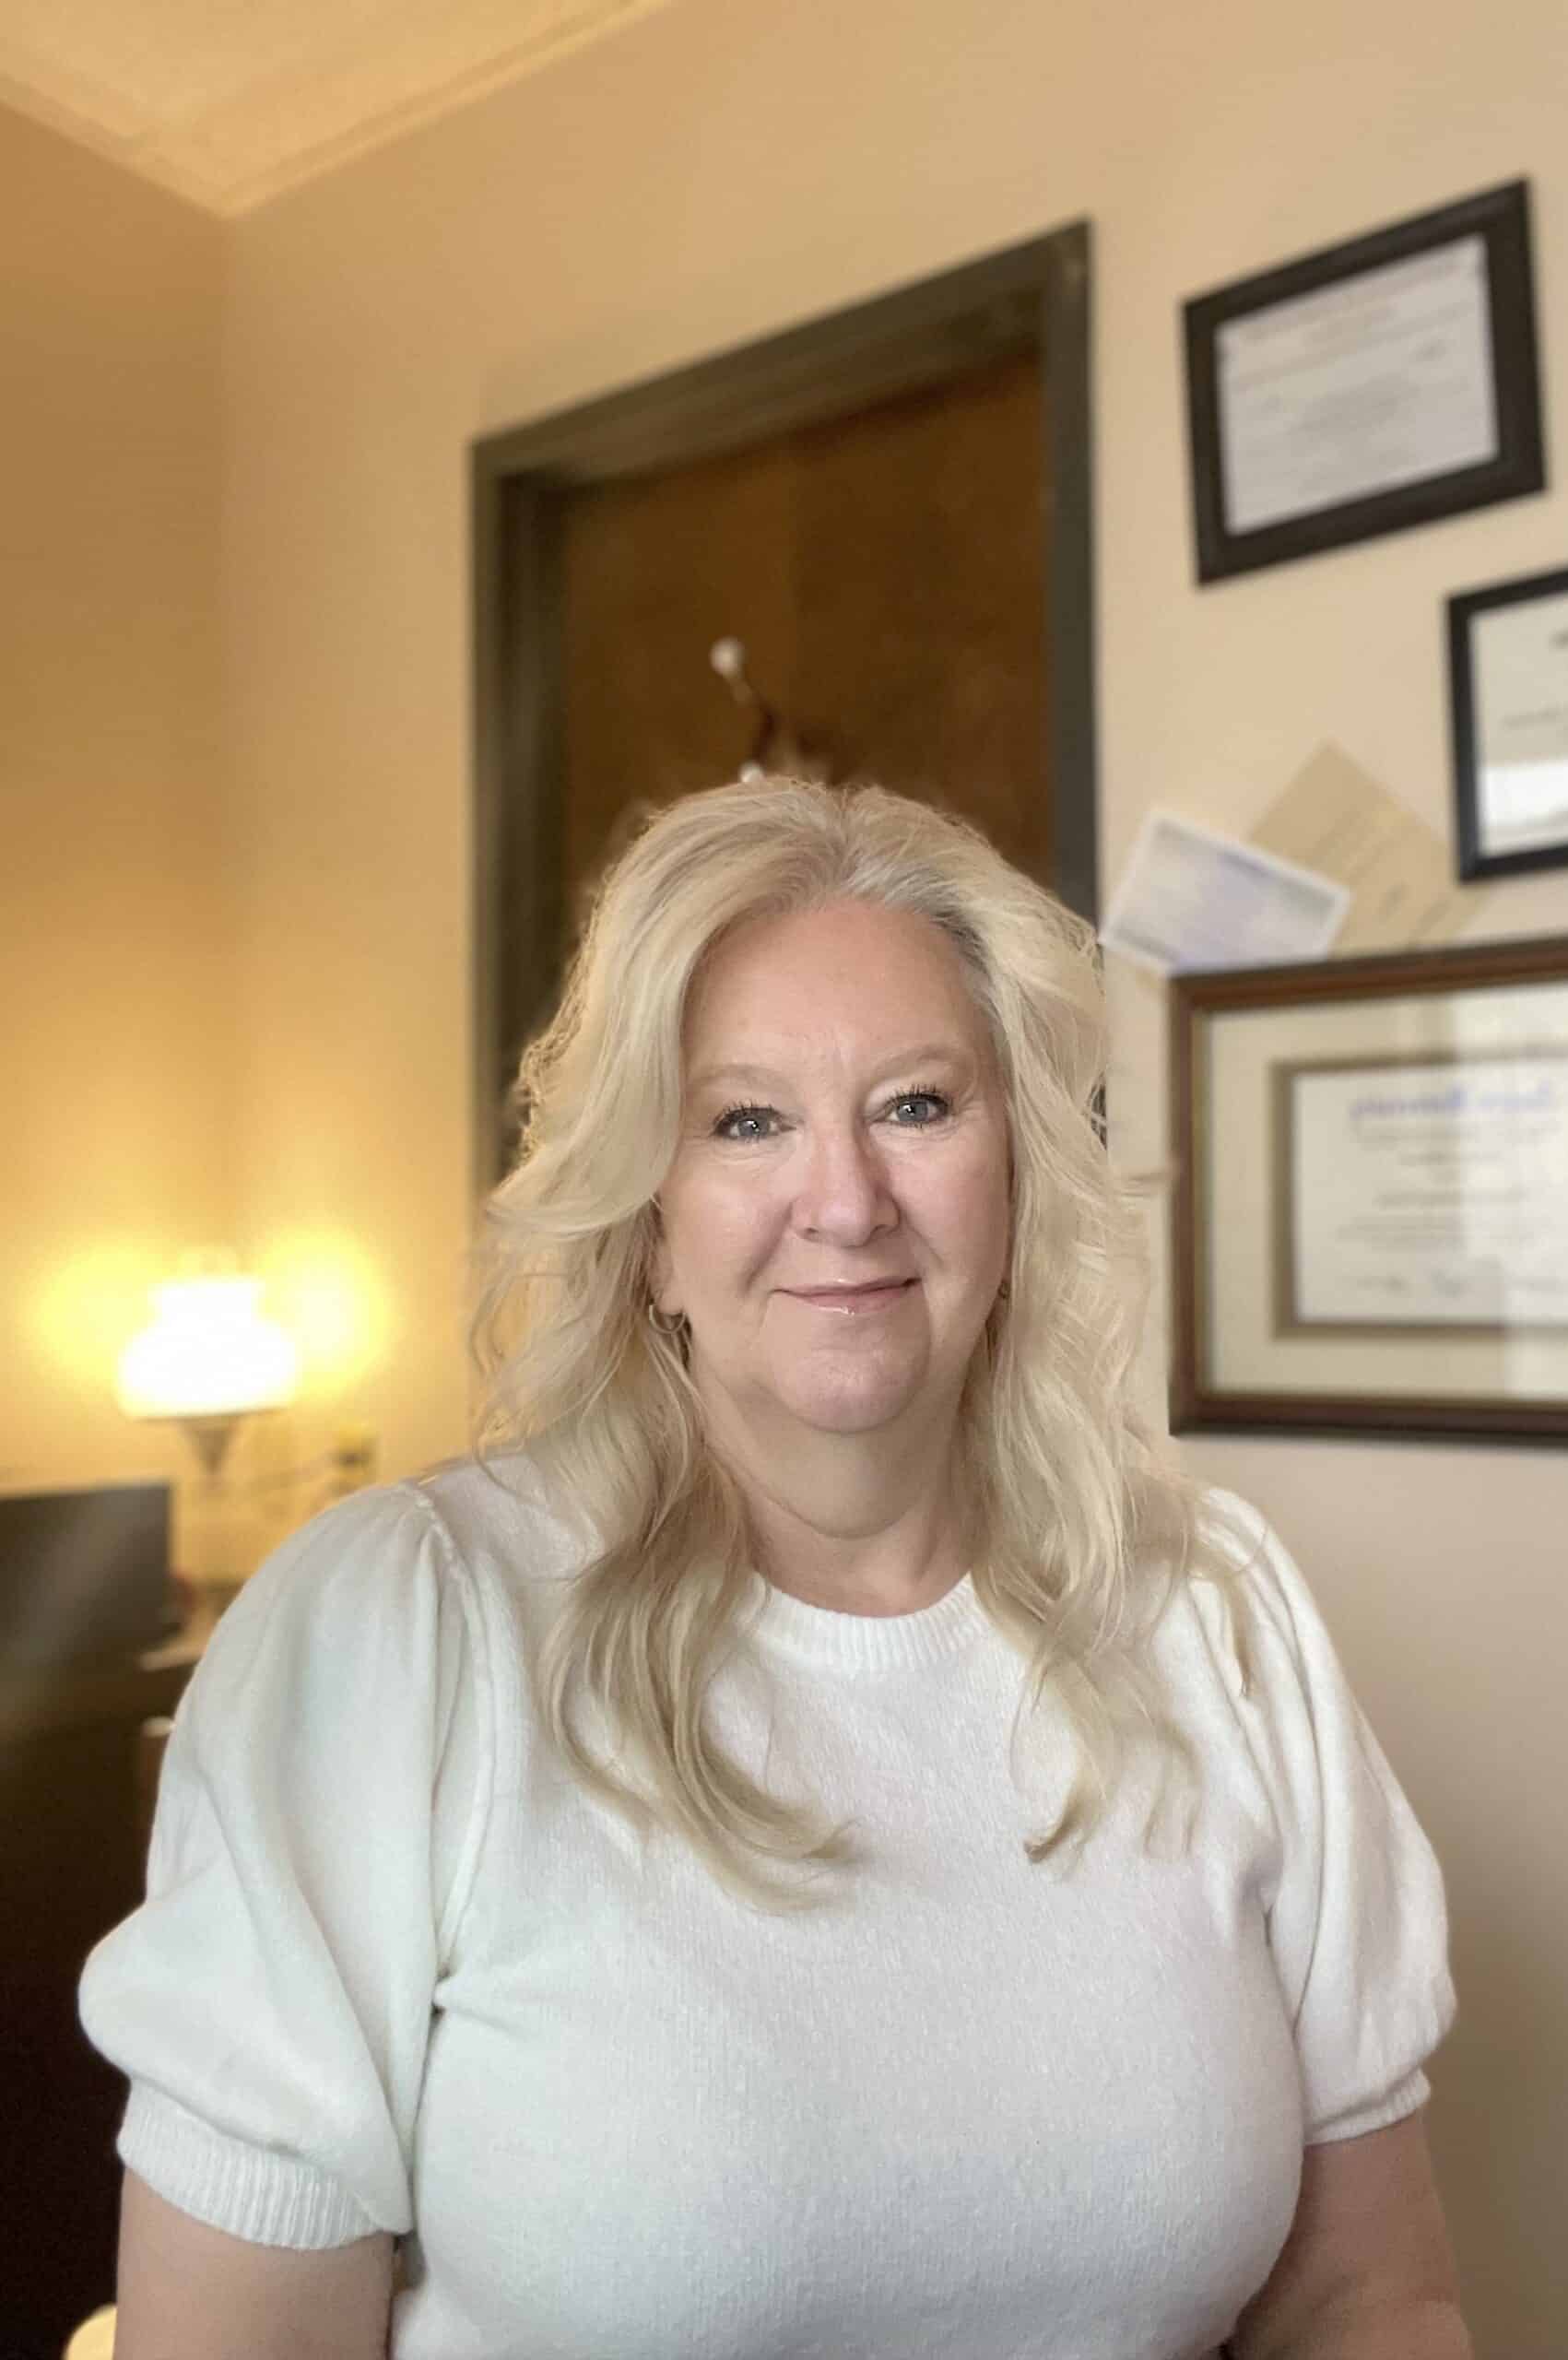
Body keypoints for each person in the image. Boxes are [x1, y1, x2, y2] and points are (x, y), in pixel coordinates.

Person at [80, 778, 1471, 2359]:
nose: (845, 1201)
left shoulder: (1215, 1607)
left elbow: (1374, 2302)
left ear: (1016, 1178)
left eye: (918, 1106)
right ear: (647, 1226)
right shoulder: (397, 1634)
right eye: (746, 1121)